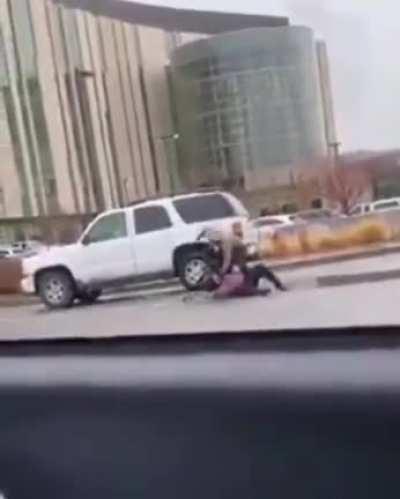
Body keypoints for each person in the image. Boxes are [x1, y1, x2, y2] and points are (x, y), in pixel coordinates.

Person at [219, 221, 287, 294]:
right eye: (237, 228)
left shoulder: (236, 239)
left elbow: (241, 255)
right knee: (261, 269)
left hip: (242, 269)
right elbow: (227, 258)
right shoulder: (229, 240)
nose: (240, 230)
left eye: (239, 227)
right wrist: (223, 271)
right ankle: (278, 285)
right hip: (239, 271)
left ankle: (276, 285)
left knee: (259, 268)